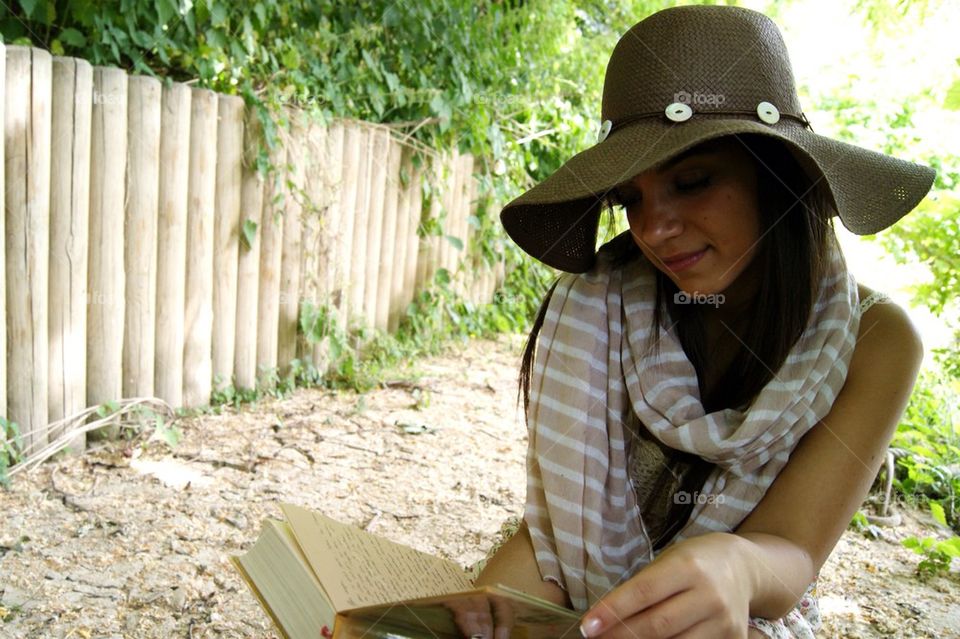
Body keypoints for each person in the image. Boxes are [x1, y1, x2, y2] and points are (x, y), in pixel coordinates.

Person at [475, 5, 935, 639]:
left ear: (778, 178)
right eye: (630, 199)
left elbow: (791, 551)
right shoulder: (593, 308)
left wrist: (735, 565)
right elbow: (555, 533)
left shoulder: (879, 343)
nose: (653, 228)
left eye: (691, 181)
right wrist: (485, 607)